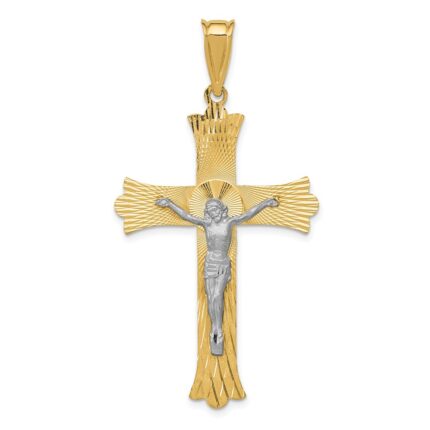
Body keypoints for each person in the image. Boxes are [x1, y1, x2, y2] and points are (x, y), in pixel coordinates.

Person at [155, 196, 278, 355]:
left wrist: (266, 203)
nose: (213, 212)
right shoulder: (207, 224)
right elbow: (187, 216)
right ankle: (214, 326)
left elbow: (248, 214)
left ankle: (218, 329)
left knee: (217, 295)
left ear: (221, 209)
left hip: (222, 263)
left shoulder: (229, 222)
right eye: (210, 210)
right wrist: (170, 204)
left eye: (215, 209)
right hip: (209, 263)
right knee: (210, 297)